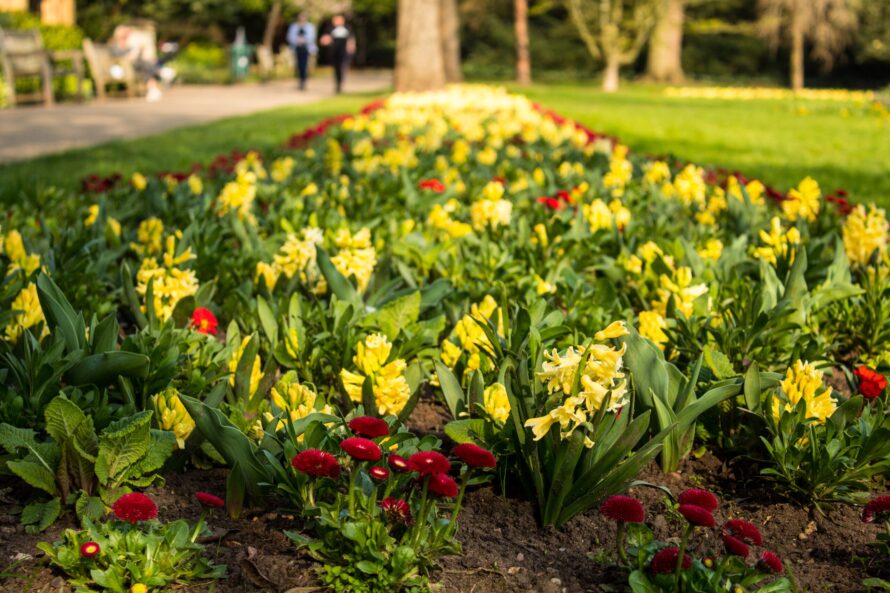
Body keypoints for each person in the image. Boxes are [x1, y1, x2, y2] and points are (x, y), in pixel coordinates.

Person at [319, 14, 355, 94]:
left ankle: (340, 83)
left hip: (343, 52)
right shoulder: (330, 29)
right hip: (334, 52)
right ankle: (337, 83)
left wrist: (351, 48)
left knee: (342, 67)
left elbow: (351, 40)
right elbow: (324, 39)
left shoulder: (347, 28)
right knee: (336, 68)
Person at [286, 13, 317, 91]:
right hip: (296, 48)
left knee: (304, 65)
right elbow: (290, 37)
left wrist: (304, 40)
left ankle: (303, 81)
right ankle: (300, 80)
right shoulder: (294, 27)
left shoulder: (310, 27)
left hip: (306, 49)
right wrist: (297, 40)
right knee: (298, 65)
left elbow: (312, 37)